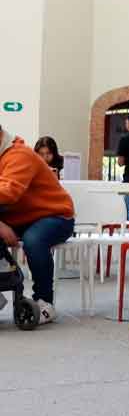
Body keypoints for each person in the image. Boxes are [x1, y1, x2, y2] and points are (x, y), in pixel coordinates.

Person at [0, 124, 75, 324]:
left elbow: (8, 192)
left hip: (55, 215)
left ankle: (44, 302)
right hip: (21, 218)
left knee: (34, 240)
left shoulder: (19, 155)